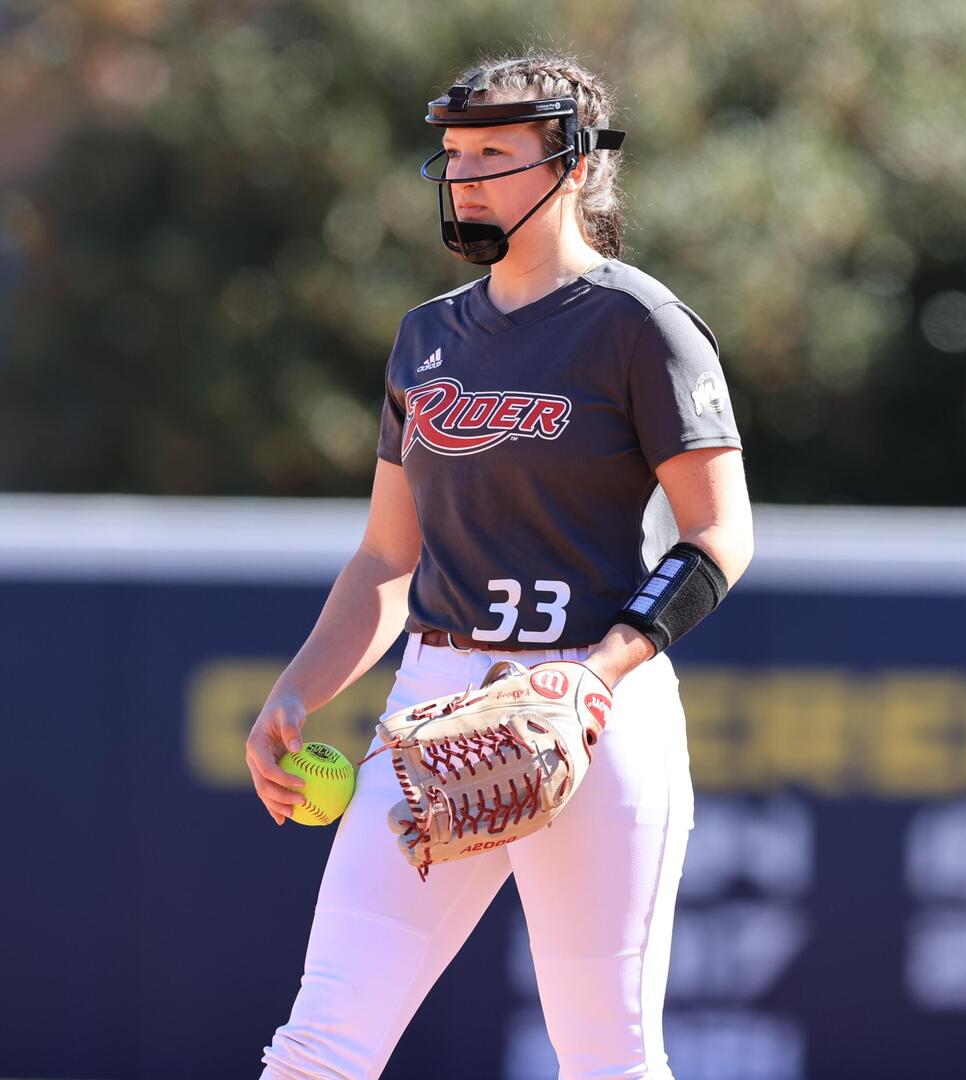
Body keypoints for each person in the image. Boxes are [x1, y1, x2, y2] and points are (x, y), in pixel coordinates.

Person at [249, 51, 754, 1080]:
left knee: (606, 1058)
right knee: (319, 1047)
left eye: (493, 153)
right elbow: (389, 557)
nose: (464, 176)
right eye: (453, 154)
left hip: (586, 706)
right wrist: (299, 691)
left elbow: (718, 536)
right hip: (437, 705)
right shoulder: (428, 337)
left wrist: (597, 672)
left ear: (570, 165)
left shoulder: (640, 325)